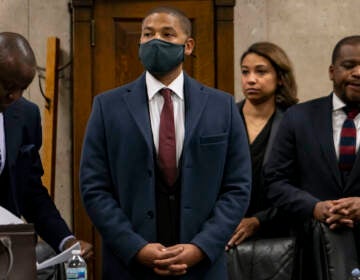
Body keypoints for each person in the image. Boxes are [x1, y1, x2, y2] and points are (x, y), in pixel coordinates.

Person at [80, 6, 252, 280]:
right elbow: (94, 187)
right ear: (139, 43)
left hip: (203, 267)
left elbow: (237, 187)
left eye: (167, 34)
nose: (155, 40)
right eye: (147, 34)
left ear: (188, 45)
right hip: (130, 266)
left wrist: (201, 246)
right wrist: (135, 247)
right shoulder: (107, 107)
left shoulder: (222, 107)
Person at [264, 35, 360, 278]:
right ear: (332, 71)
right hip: (312, 253)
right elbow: (275, 181)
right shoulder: (298, 117)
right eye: (349, 66)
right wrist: (314, 207)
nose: (358, 73)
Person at [0, 32, 93, 264]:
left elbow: (30, 191)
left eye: (22, 87)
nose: (14, 95)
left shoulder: (25, 115)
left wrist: (66, 240)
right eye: (7, 85)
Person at [227, 42, 298, 249]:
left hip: (279, 233)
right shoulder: (225, 118)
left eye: (261, 72)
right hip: (226, 231)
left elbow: (300, 185)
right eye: (245, 72)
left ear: (280, 78)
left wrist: (259, 220)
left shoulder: (295, 121)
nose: (251, 79)